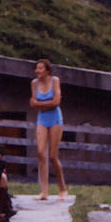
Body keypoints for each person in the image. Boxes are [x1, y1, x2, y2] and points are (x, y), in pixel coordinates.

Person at [30, 58, 68, 201]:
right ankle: (44, 192)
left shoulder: (55, 80)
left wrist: (40, 104)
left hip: (55, 119)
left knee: (52, 156)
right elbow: (32, 103)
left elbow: (57, 102)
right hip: (42, 119)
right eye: (36, 68)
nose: (37, 71)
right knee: (41, 153)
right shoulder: (34, 83)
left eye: (40, 68)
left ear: (47, 70)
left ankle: (62, 189)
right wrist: (45, 104)